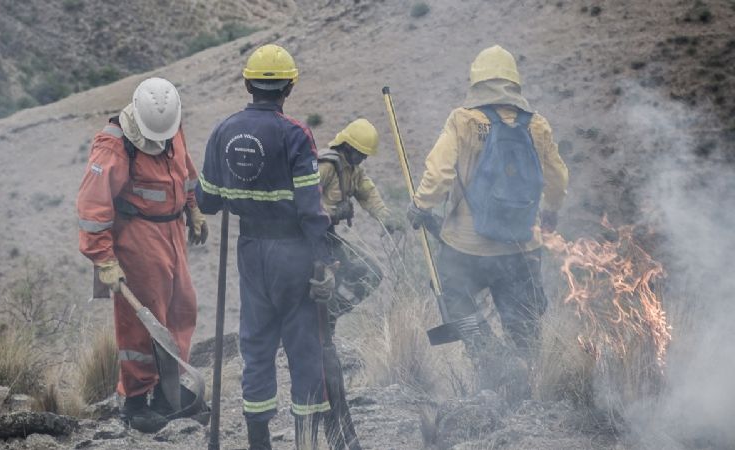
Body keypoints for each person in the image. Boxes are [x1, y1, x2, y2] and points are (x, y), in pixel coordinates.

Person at [196, 44, 337, 450]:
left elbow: (207, 202)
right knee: (303, 347)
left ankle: (259, 441)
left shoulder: (223, 131)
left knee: (256, 345)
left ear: (247, 83)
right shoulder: (296, 134)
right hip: (293, 252)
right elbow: (311, 208)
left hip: (251, 251)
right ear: (288, 87)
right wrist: (325, 259)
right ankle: (306, 441)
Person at [407, 45, 568, 393]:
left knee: (453, 297)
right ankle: (532, 392)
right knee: (524, 325)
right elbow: (558, 179)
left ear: (477, 81)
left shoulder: (463, 120)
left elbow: (438, 173)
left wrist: (421, 205)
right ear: (514, 82)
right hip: (521, 246)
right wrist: (551, 211)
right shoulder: (537, 125)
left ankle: (490, 356)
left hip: (468, 247)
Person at [77, 77, 208, 432]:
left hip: (172, 230)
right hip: (137, 235)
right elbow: (93, 210)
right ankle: (136, 401)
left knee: (182, 308)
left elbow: (185, 171)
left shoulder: (169, 126)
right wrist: (104, 259)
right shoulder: (114, 145)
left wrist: (193, 208)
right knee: (144, 321)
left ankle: (168, 393)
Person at [319, 118, 403, 320]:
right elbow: (300, 200)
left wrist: (385, 217)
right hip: (307, 238)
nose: (363, 158)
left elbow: (367, 193)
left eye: (365, 155)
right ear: (347, 146)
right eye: (360, 153)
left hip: (328, 237)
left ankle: (328, 317)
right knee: (324, 285)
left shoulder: (354, 170)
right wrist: (331, 213)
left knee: (371, 273)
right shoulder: (326, 166)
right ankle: (318, 324)